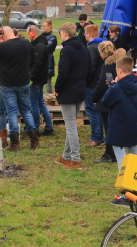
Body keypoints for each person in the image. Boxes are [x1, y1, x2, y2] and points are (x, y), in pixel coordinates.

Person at [0, 26, 39, 151]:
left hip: (8, 84)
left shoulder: (2, 47)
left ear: (2, 34)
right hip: (24, 82)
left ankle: (15, 144)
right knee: (26, 111)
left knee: (12, 112)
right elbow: (34, 56)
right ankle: (34, 141)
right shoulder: (26, 43)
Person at [101, 55, 137, 205]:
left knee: (122, 162)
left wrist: (112, 86)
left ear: (119, 70)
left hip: (118, 127)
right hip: (132, 126)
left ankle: (127, 194)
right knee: (134, 159)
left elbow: (105, 102)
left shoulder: (117, 88)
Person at [53, 22, 90, 170]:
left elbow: (63, 73)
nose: (60, 36)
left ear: (65, 34)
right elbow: (89, 69)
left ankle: (75, 159)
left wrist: (57, 89)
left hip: (68, 91)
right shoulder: (83, 48)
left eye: (60, 33)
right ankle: (66, 156)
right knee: (71, 124)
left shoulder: (67, 50)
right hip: (80, 90)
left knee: (70, 126)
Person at [91, 42, 123, 163]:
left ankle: (109, 154)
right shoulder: (117, 63)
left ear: (103, 52)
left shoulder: (107, 66)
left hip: (106, 99)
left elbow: (101, 84)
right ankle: (113, 153)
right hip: (116, 99)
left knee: (108, 128)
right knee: (112, 127)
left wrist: (94, 98)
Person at [27, 25, 53, 136]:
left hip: (37, 79)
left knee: (34, 104)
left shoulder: (39, 46)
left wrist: (30, 76)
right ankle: (49, 127)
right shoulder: (39, 45)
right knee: (40, 103)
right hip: (39, 78)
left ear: (32, 33)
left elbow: (37, 64)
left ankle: (35, 129)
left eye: (28, 34)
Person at [84, 24, 105, 147]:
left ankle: (96, 137)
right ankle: (100, 136)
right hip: (101, 83)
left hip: (92, 85)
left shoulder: (91, 48)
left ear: (88, 34)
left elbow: (90, 67)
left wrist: (85, 81)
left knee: (91, 111)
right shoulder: (102, 46)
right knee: (99, 111)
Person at [43, 20, 58, 94]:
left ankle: (50, 97)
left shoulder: (53, 37)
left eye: (44, 26)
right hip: (41, 60)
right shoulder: (42, 36)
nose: (43, 28)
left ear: (49, 27)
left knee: (47, 83)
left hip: (48, 60)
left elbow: (48, 47)